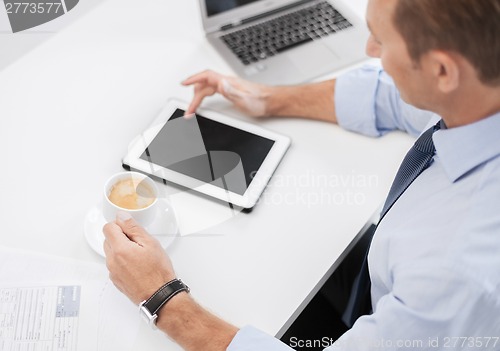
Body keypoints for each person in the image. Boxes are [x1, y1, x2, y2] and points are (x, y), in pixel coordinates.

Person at [103, 0, 500, 349]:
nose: (369, 50)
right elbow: (389, 96)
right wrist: (268, 99)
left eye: (381, 39)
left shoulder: (457, 272)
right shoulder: (479, 92)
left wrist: (162, 300)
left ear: (443, 70)